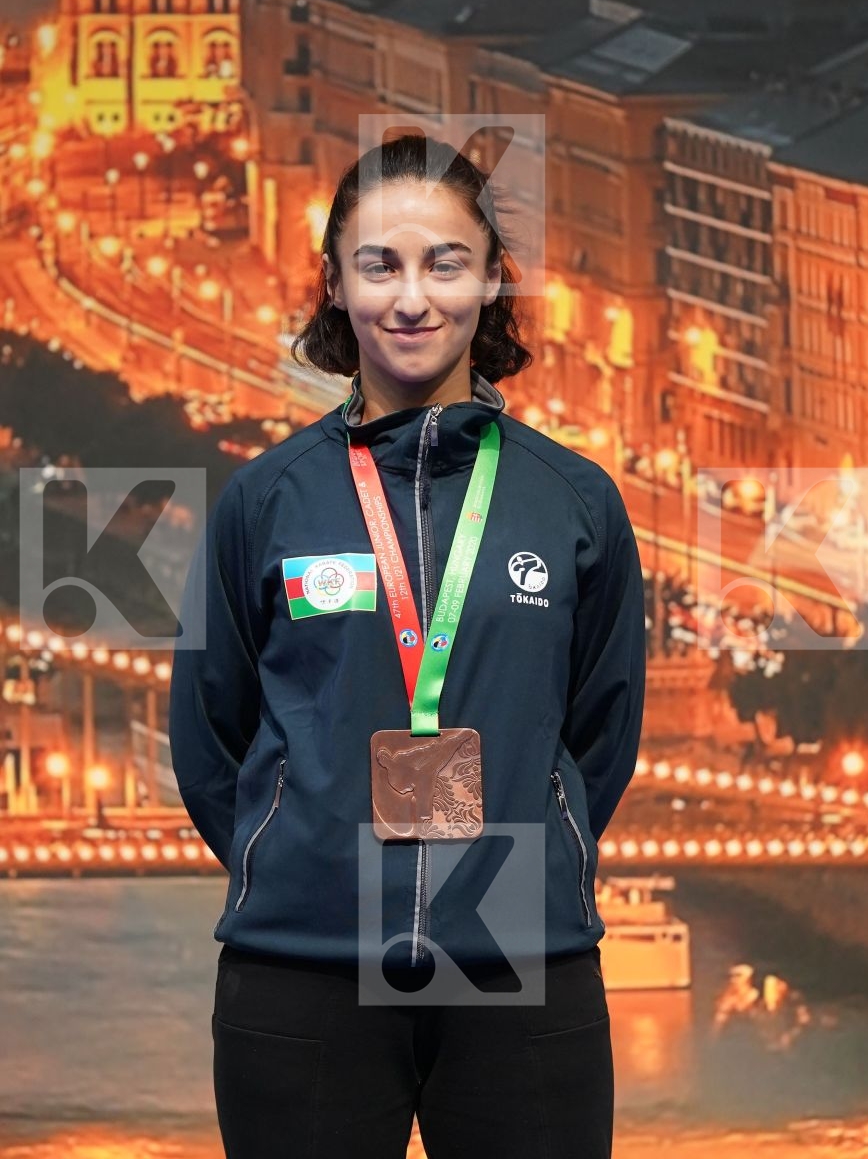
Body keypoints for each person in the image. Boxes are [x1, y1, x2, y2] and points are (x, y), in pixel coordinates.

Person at [168, 133, 646, 1159]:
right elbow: (211, 738)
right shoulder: (266, 501)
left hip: (519, 949)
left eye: (445, 262)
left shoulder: (573, 503)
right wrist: (301, 850)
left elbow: (601, 735)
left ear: (492, 282)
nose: (411, 297)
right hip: (305, 957)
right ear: (334, 285)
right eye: (378, 264)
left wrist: (522, 833)